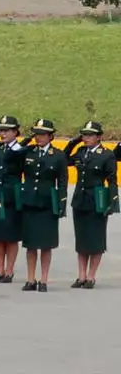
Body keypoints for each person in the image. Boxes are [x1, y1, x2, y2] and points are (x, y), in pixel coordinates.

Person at [17, 118, 68, 291]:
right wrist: (24, 142)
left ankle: (44, 279)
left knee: (46, 244)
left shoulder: (58, 155)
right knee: (30, 244)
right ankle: (31, 278)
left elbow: (62, 182)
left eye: (42, 134)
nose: (38, 137)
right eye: (36, 134)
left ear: (50, 136)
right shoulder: (28, 152)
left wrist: (61, 204)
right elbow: (11, 161)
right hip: (30, 201)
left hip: (47, 204)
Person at [69, 120, 116, 288]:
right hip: (80, 200)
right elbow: (66, 159)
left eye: (90, 135)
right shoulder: (81, 152)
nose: (86, 138)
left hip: (97, 200)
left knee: (95, 240)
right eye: (84, 135)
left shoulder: (106, 155)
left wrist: (112, 203)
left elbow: (112, 181)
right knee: (81, 240)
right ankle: (81, 275)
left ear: (99, 137)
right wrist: (74, 141)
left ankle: (91, 276)